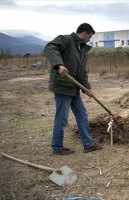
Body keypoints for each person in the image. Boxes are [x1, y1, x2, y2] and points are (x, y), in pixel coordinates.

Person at [44, 23, 102, 155]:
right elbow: (50, 47)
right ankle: (57, 147)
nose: (89, 40)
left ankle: (88, 144)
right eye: (89, 36)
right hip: (63, 86)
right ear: (84, 33)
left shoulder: (82, 50)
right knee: (62, 118)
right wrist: (59, 64)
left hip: (74, 88)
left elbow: (82, 72)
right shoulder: (66, 40)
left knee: (82, 113)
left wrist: (88, 88)